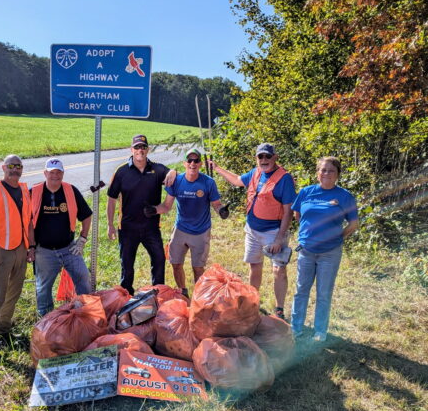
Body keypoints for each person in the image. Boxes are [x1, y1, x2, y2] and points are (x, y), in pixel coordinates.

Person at [210, 143, 296, 320]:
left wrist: (279, 239)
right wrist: (217, 168)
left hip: (274, 232)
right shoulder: (255, 173)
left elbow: (288, 211)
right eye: (260, 157)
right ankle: (252, 303)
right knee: (254, 266)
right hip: (252, 231)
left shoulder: (284, 179)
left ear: (275, 157)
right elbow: (236, 180)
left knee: (278, 270)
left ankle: (279, 309)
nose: (264, 160)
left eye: (267, 156)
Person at [290, 157, 359, 342]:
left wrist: (338, 237)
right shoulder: (306, 192)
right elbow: (298, 215)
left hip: (330, 253)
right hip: (306, 250)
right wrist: (308, 234)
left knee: (323, 292)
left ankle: (320, 331)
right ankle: (296, 328)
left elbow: (353, 223)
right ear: (317, 173)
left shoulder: (344, 196)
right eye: (323, 170)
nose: (326, 173)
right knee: (301, 290)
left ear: (337, 175)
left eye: (331, 171)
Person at [148, 148, 228, 297]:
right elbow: (166, 206)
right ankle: (183, 291)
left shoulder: (208, 182)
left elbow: (216, 204)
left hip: (201, 231)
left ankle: (198, 295)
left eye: (196, 160)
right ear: (184, 163)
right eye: (189, 160)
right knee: (176, 263)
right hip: (181, 229)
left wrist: (222, 211)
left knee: (197, 268)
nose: (193, 163)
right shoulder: (177, 181)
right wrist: (153, 210)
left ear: (200, 164)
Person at [0, 154, 35, 360]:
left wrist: (31, 247)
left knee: (14, 292)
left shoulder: (23, 190)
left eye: (18, 166)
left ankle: (3, 330)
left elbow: (28, 222)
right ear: (3, 167)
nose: (15, 169)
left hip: (20, 247)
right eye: (11, 166)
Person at [107, 134, 176, 294]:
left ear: (148, 150)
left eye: (143, 147)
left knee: (159, 259)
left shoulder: (157, 169)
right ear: (131, 150)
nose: (140, 150)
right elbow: (111, 200)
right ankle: (125, 297)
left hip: (151, 227)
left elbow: (172, 178)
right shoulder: (121, 172)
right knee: (127, 265)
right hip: (127, 228)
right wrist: (110, 225)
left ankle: (158, 294)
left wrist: (173, 171)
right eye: (137, 147)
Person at [31, 157, 93, 316]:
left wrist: (82, 240)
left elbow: (86, 216)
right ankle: (46, 321)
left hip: (69, 248)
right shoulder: (34, 192)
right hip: (44, 251)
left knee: (83, 277)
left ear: (63, 174)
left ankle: (85, 313)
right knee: (43, 288)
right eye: (52, 172)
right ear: (45, 173)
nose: (55, 176)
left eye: (58, 172)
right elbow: (25, 222)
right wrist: (30, 247)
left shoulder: (70, 191)